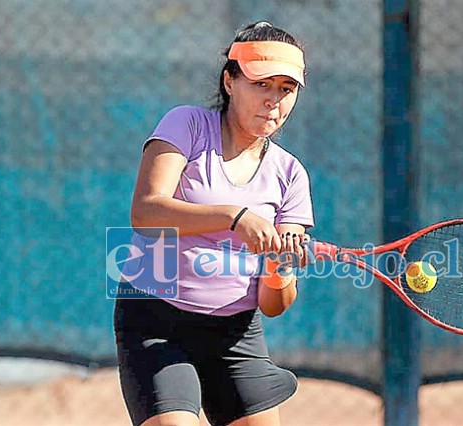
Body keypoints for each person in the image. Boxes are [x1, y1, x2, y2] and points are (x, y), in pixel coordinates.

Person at [114, 21, 314, 426]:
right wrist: (233, 217)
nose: (273, 100)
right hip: (157, 319)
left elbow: (273, 306)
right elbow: (146, 214)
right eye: (262, 84)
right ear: (230, 81)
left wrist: (279, 267)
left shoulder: (291, 174)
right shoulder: (185, 125)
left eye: (285, 89)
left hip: (236, 334)